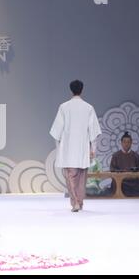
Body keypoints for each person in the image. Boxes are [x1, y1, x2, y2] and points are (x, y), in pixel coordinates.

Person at [50, 80, 102, 212]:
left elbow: (56, 132)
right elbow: (94, 132)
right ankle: (80, 202)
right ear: (82, 90)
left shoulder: (64, 107)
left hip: (68, 149)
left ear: (71, 90)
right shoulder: (88, 108)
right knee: (82, 178)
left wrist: (59, 150)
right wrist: (92, 149)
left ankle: (75, 203)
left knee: (70, 176)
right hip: (82, 148)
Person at [110, 131, 139, 196]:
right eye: (124, 142)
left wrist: (135, 171)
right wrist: (122, 171)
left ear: (131, 143)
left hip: (133, 180)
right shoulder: (116, 155)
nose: (126, 144)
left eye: (128, 142)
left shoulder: (136, 155)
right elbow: (112, 169)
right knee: (115, 181)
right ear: (121, 143)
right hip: (121, 180)